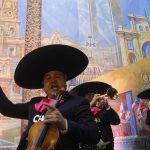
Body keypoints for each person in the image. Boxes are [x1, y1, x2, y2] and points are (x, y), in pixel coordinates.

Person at [0, 44, 100, 150]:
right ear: (43, 84)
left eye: (57, 76)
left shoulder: (78, 103)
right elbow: (8, 109)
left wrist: (63, 123)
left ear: (65, 80)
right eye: (48, 78)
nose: (52, 80)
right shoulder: (35, 104)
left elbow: (93, 136)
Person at [70, 81, 120, 150]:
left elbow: (116, 121)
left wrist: (107, 107)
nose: (92, 96)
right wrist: (91, 104)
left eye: (93, 94)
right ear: (83, 98)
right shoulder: (80, 111)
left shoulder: (102, 109)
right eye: (89, 94)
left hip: (108, 146)